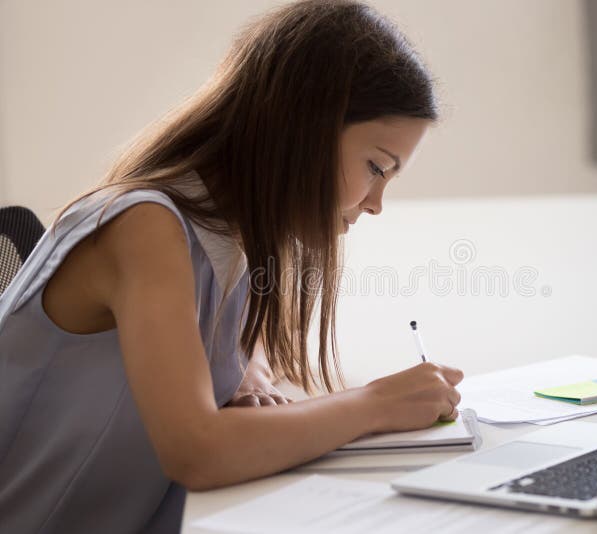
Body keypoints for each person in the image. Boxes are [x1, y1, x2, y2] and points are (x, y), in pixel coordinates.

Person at [0, 1, 464, 532]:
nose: (377, 202)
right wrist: (377, 403)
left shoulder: (234, 232)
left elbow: (221, 335)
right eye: (376, 167)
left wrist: (249, 369)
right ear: (303, 127)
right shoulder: (146, 228)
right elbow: (196, 451)